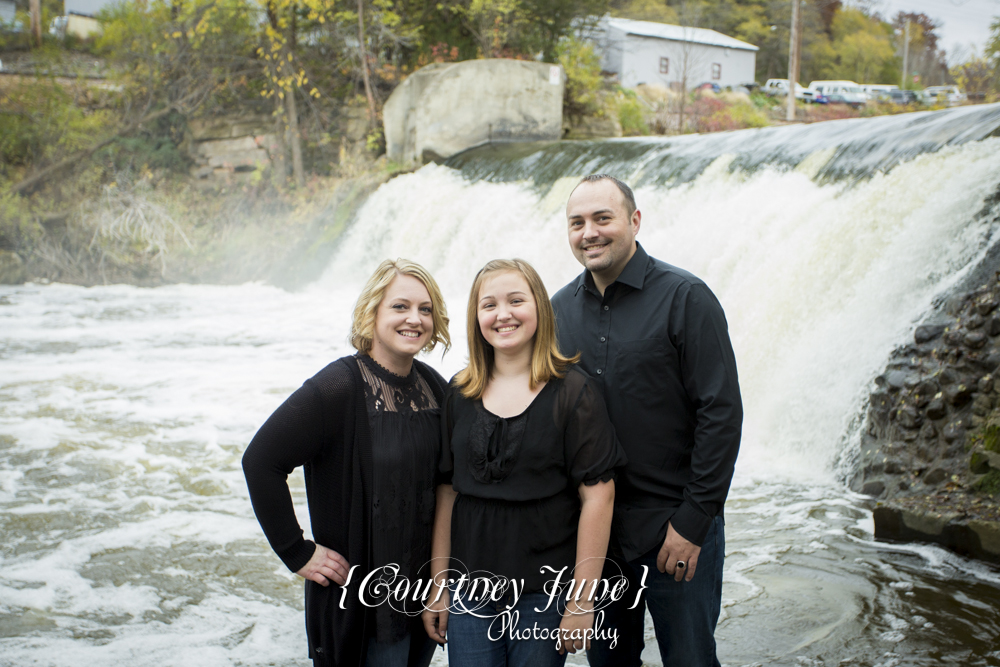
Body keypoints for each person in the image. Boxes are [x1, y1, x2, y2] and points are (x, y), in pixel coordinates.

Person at [550, 175, 743, 667]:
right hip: (597, 533)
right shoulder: (556, 311)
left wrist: (695, 521)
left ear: (634, 221)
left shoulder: (686, 297)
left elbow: (720, 412)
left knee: (691, 659)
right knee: (609, 663)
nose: (589, 232)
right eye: (577, 223)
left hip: (674, 524)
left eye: (602, 219)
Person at [242, 258, 451, 667]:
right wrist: (296, 551)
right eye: (400, 307)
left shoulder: (435, 388)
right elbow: (261, 460)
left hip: (420, 599)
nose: (415, 319)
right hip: (360, 607)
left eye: (425, 309)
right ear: (371, 311)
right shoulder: (337, 387)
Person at [421, 259, 626, 667]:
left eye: (517, 300)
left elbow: (598, 498)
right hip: (469, 592)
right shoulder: (459, 392)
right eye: (489, 305)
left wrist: (583, 600)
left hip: (544, 595)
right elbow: (447, 492)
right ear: (476, 316)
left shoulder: (573, 392)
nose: (503, 314)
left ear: (540, 310)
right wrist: (439, 585)